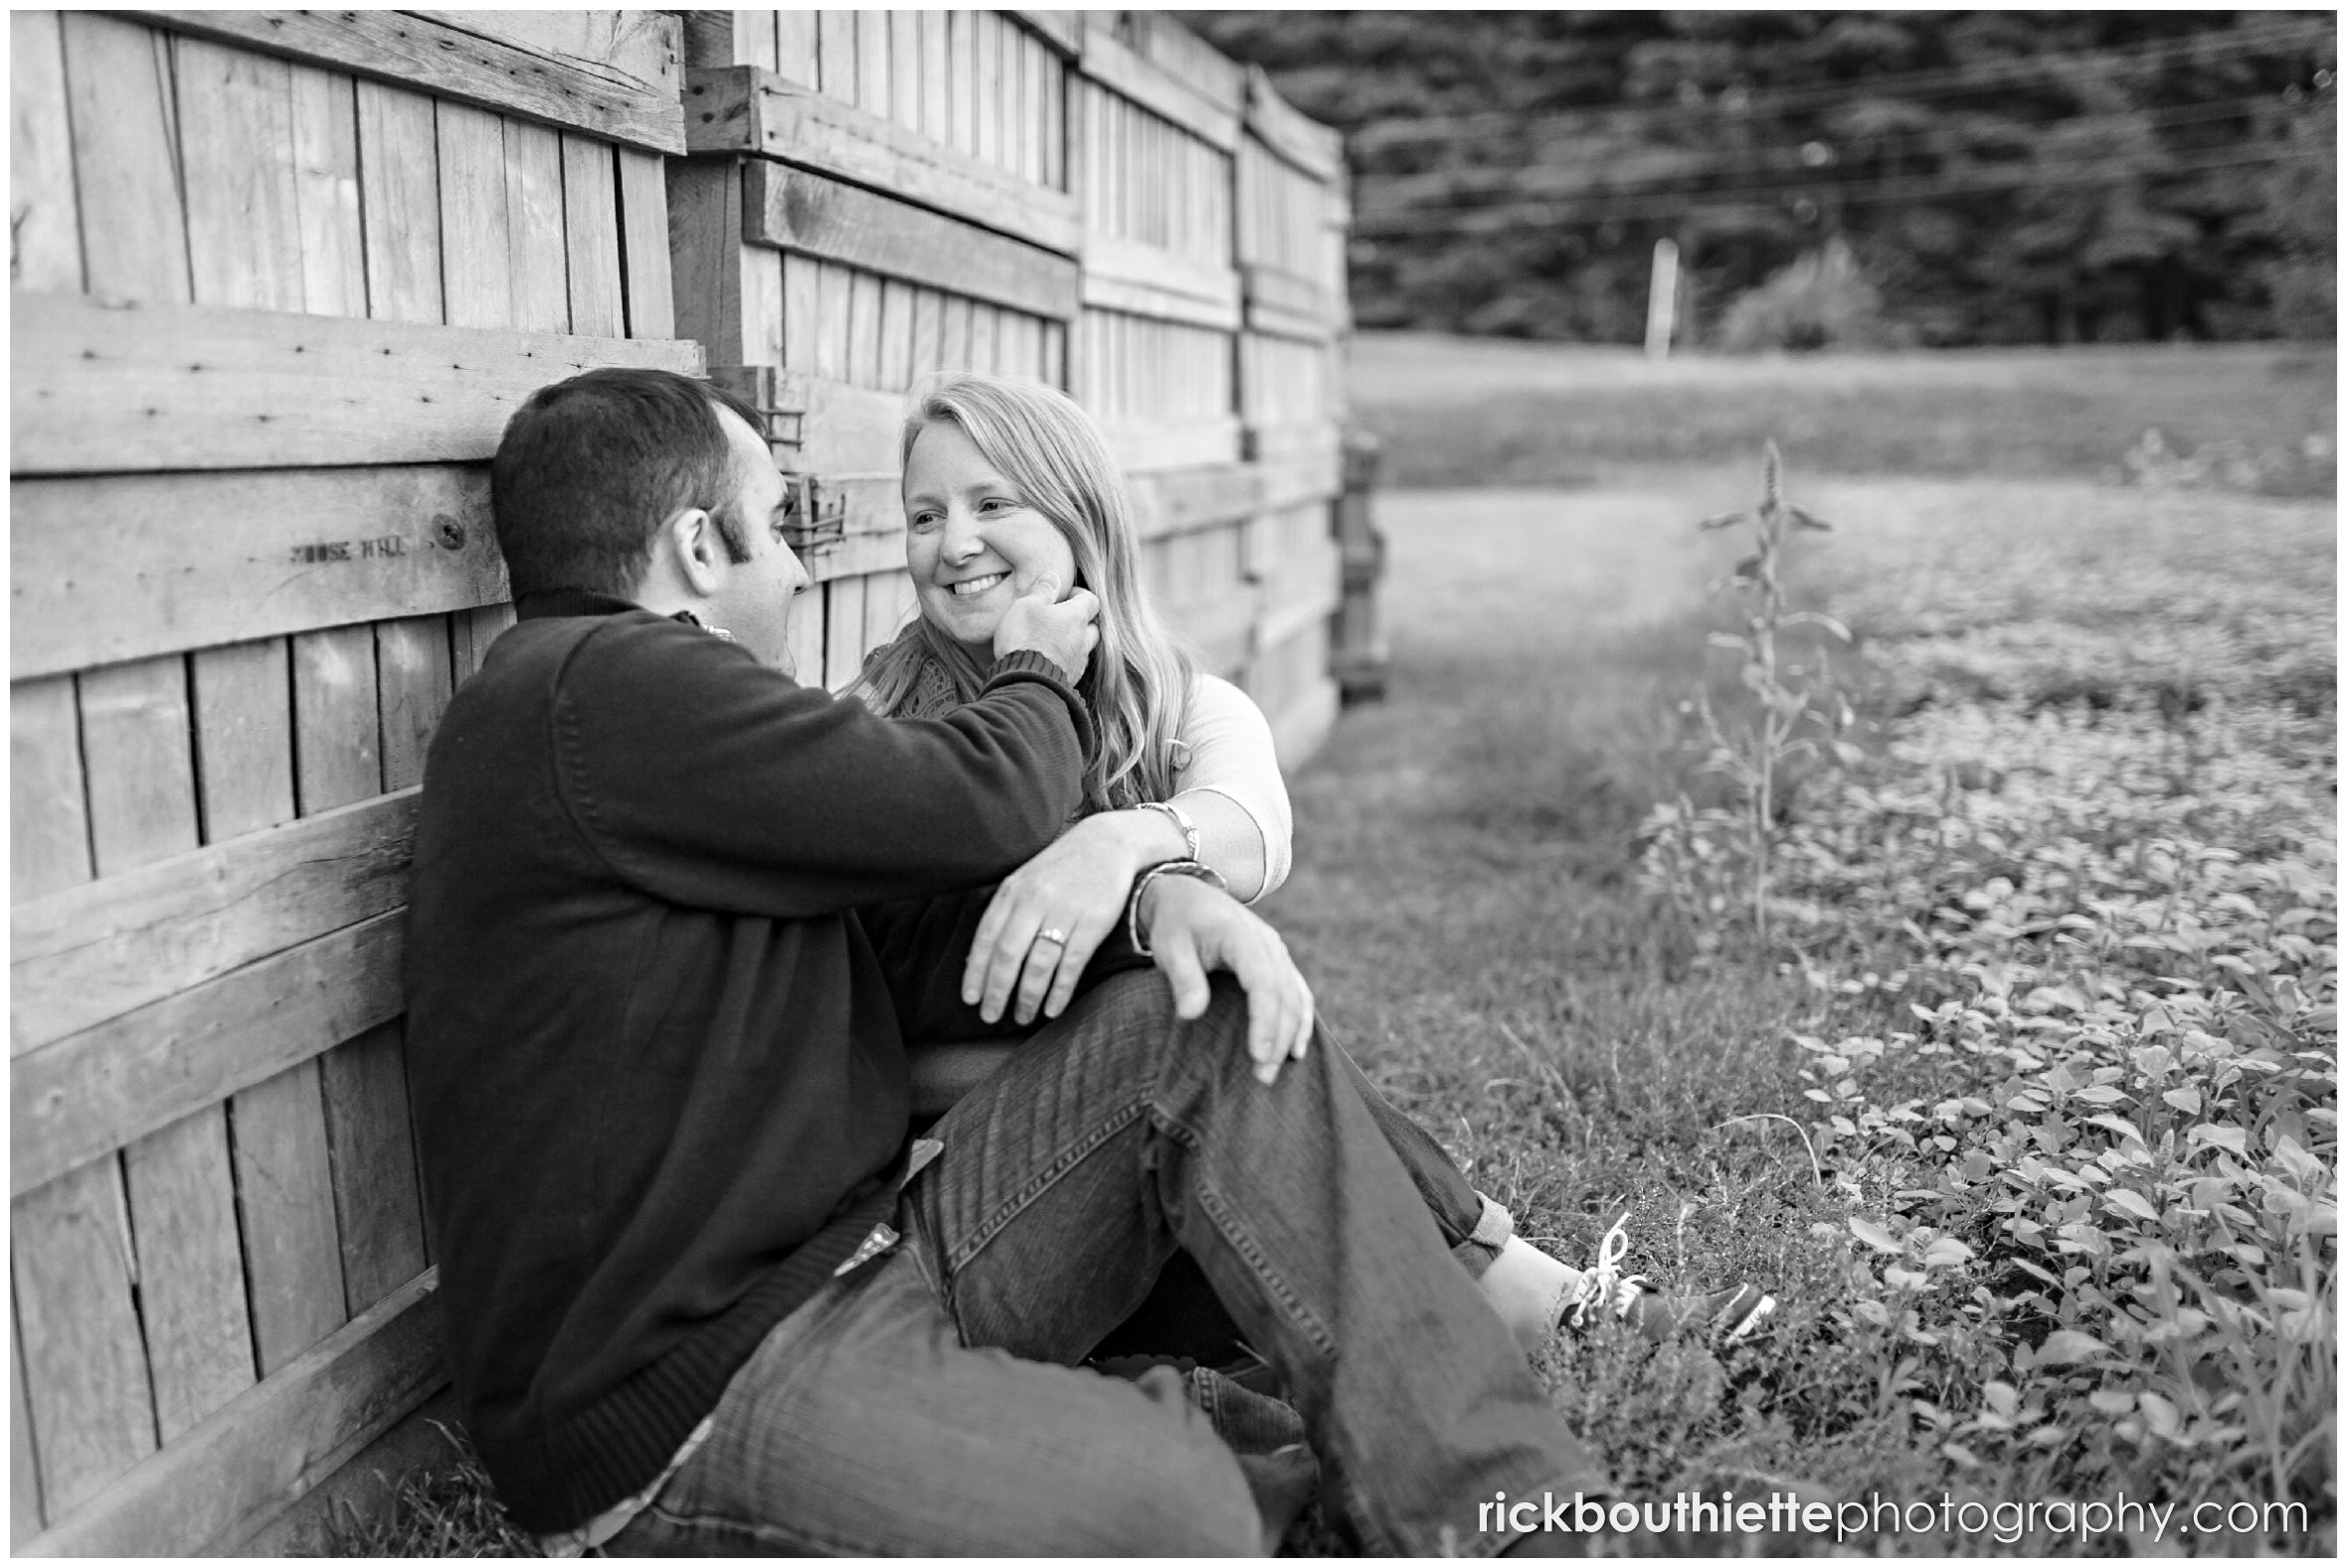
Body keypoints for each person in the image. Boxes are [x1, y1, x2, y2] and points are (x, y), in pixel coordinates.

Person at [407, 365, 1650, 1556]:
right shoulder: (599, 688)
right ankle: (1216, 1427)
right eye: (778, 527)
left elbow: (906, 941)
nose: (795, 564)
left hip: (863, 1261)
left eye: (993, 502)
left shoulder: (632, 722)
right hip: (694, 1393)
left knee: (1195, 1019)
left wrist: (1150, 901)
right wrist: (1037, 676)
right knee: (1181, 1518)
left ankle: (1510, 1513)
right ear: (695, 545)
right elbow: (977, 806)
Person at [850, 372, 1773, 1357]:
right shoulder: (873, 728)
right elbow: (880, 1035)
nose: (953, 543)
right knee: (1212, 1038)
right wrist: (1109, 1034)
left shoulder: (1174, 704)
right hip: (980, 1188)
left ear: (1080, 517)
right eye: (923, 514)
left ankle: (1556, 1332)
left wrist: (1119, 840)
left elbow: (1252, 826)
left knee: (1286, 1174)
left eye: (991, 503)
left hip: (1150, 1155)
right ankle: (1558, 1310)